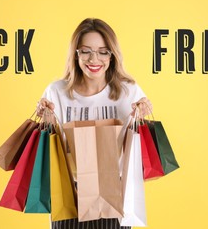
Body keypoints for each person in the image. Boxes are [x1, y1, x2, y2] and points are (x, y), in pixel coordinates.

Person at [37, 18, 151, 229]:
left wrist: (144, 114)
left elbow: (139, 151)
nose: (94, 59)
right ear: (76, 54)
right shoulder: (56, 92)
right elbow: (47, 151)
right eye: (86, 51)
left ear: (112, 55)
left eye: (103, 51)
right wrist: (44, 121)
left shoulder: (129, 92)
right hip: (70, 194)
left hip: (114, 193)